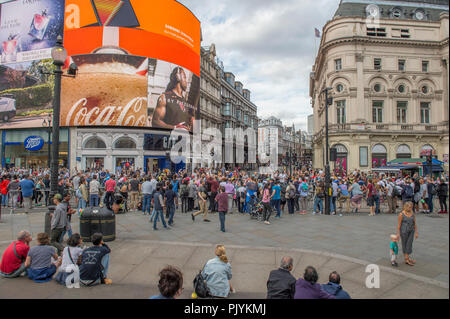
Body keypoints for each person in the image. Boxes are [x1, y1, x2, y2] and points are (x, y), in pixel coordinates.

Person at [396, 202, 418, 266]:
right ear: (405, 207)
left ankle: (407, 257)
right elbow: (399, 225)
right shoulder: (401, 214)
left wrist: (416, 232)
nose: (410, 208)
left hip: (411, 230)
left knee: (409, 243)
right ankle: (406, 259)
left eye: (411, 207)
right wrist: (397, 234)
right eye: (409, 207)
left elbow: (415, 223)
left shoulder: (412, 213)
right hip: (404, 231)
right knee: (405, 243)